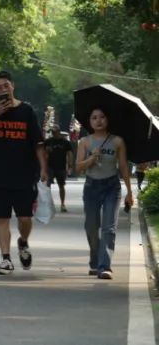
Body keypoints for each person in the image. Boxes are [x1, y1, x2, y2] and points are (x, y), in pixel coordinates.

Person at [0, 70, 48, 276]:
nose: (2, 90)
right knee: (2, 217)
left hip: (25, 173)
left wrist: (43, 168)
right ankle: (6, 259)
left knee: (25, 218)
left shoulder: (27, 111)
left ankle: (23, 241)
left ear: (12, 86)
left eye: (5, 86)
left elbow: (38, 143)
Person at [76, 108, 134, 279]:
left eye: (102, 117)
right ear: (90, 121)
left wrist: (129, 192)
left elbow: (123, 167)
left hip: (111, 187)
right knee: (91, 227)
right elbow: (78, 168)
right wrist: (91, 159)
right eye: (94, 117)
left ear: (108, 120)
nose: (98, 120)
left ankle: (104, 266)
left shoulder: (117, 141)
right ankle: (94, 261)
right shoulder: (85, 142)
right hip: (91, 186)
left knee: (109, 228)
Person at [44, 130, 73, 213]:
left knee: (61, 185)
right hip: (50, 167)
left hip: (61, 167)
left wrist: (70, 165)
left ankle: (62, 204)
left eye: (55, 131)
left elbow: (70, 153)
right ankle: (47, 204)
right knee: (47, 186)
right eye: (52, 132)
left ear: (58, 132)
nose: (53, 133)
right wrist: (46, 151)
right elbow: (42, 152)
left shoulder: (65, 142)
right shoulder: (48, 141)